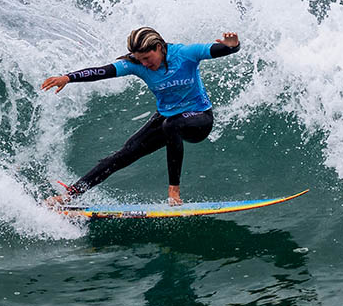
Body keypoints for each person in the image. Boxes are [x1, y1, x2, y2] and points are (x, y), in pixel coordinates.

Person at [40, 26, 240, 206]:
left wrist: (233, 45)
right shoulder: (136, 63)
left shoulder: (185, 54)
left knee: (172, 125)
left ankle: (174, 191)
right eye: (139, 59)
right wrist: (68, 77)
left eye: (147, 58)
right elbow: (103, 71)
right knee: (123, 154)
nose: (144, 64)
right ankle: (69, 195)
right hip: (167, 118)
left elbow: (223, 49)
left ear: (160, 47)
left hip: (199, 119)